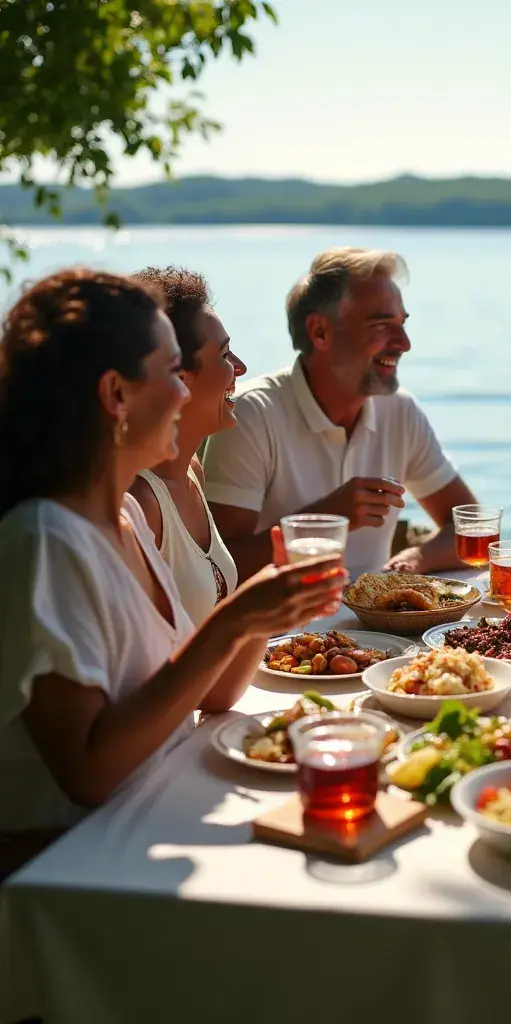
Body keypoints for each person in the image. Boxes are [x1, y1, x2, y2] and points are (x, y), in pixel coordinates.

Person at [0, 269, 342, 876]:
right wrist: (228, 621)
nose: (184, 394)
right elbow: (89, 774)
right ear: (116, 395)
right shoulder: (45, 541)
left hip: (153, 827)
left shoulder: (125, 515)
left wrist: (262, 608)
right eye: (168, 373)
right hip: (76, 878)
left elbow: (206, 694)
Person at [202, 247, 478, 581]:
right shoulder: (251, 413)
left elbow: (472, 527)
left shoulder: (400, 410)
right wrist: (328, 517)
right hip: (284, 631)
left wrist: (417, 559)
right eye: (381, 323)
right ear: (320, 332)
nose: (404, 343)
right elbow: (220, 570)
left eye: (402, 324)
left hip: (380, 629)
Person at [128, 267, 245, 625]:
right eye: (225, 356)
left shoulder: (193, 471)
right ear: (179, 378)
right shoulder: (139, 503)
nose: (240, 367)